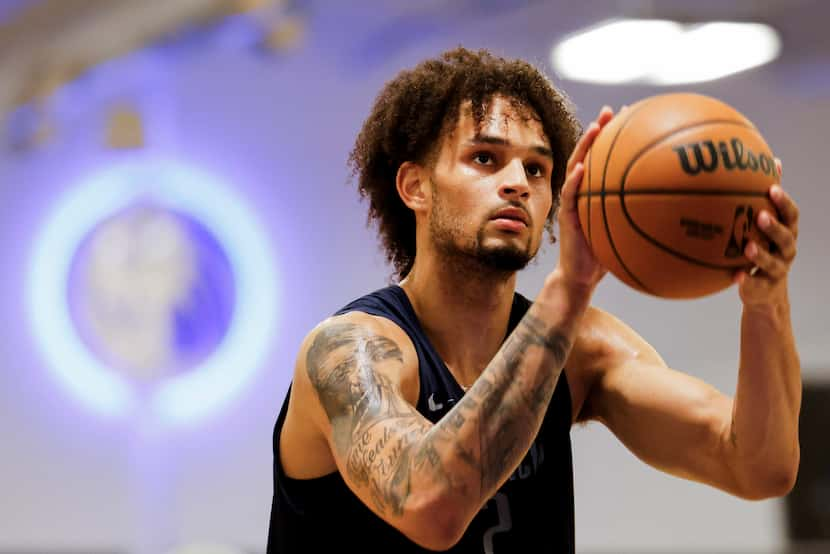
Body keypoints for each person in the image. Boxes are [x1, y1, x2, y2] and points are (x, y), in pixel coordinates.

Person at [266, 47, 801, 553]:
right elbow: (430, 507)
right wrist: (568, 290)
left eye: (537, 169)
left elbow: (758, 466)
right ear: (415, 187)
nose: (517, 183)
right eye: (485, 158)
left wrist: (766, 303)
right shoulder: (348, 352)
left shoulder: (584, 350)